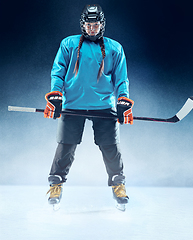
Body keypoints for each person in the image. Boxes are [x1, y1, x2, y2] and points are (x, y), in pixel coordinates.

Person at [44, 4, 134, 209]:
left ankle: (118, 185)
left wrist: (123, 100)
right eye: (88, 24)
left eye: (96, 25)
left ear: (102, 25)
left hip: (103, 105)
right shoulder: (68, 44)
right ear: (82, 25)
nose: (92, 28)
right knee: (65, 146)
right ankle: (55, 185)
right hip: (73, 104)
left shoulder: (115, 48)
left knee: (110, 147)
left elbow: (121, 80)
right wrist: (56, 94)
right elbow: (58, 71)